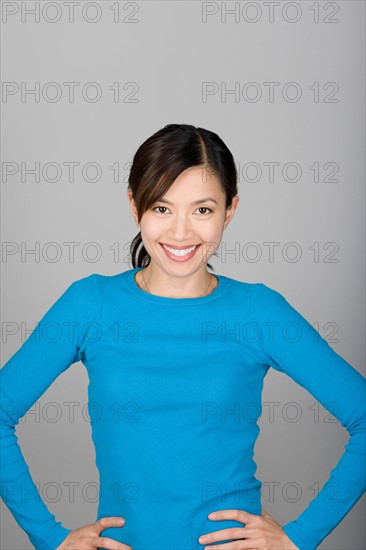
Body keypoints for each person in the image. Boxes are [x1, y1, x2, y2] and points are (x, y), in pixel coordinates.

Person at [0, 123, 365, 550]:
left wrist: (299, 539)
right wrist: (48, 538)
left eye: (203, 210)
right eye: (162, 208)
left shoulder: (258, 312)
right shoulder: (91, 304)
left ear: (230, 211)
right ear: (135, 206)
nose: (180, 233)